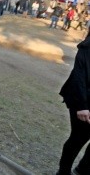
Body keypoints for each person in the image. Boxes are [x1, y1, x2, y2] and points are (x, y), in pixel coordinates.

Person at [57, 31, 90, 175]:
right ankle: (63, 172)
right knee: (78, 138)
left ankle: (82, 169)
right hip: (82, 100)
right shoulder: (87, 47)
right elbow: (79, 76)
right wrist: (82, 106)